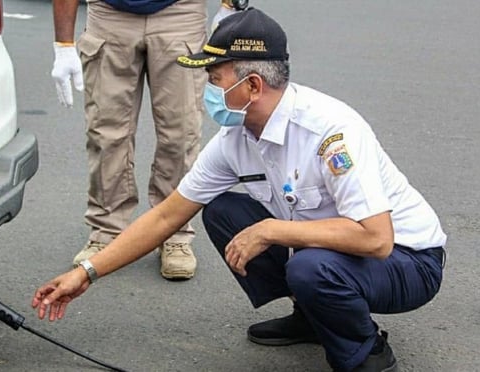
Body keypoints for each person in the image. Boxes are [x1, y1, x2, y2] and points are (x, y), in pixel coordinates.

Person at [35, 8, 447, 372]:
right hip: (340, 252)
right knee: (222, 212)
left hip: (408, 261)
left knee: (308, 267)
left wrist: (270, 230)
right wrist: (86, 273)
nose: (207, 90)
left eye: (214, 79)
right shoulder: (235, 139)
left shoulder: (330, 131)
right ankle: (314, 315)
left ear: (252, 85)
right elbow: (166, 215)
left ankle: (365, 352)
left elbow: (376, 239)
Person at [50, 0, 245, 279]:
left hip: (180, 12)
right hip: (109, 13)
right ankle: (106, 232)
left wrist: (231, 5)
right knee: (106, 134)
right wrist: (63, 44)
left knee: (180, 133)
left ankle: (175, 234)